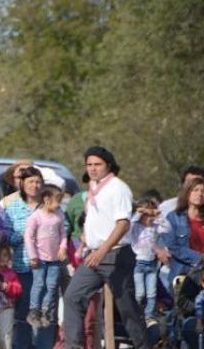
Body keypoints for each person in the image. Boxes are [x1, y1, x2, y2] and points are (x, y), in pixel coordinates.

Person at [62, 146, 150, 349]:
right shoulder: (94, 187)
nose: (92, 168)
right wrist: (86, 243)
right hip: (93, 255)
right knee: (72, 297)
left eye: (97, 164)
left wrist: (102, 250)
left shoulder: (118, 188)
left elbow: (123, 224)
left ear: (108, 165)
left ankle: (144, 346)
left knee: (126, 308)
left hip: (115, 253)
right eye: (89, 164)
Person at [4, 166, 48, 348]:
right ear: (22, 184)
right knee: (22, 313)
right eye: (30, 181)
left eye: (38, 181)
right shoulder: (13, 208)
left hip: (46, 268)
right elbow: (7, 236)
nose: (34, 185)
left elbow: (65, 228)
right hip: (22, 267)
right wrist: (26, 234)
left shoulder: (49, 205)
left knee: (43, 311)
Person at [23, 184, 67, 328]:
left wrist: (62, 247)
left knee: (52, 285)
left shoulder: (59, 214)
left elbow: (63, 233)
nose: (59, 204)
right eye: (57, 200)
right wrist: (33, 256)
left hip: (54, 259)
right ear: (46, 199)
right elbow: (28, 237)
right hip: (40, 258)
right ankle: (34, 310)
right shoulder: (36, 217)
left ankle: (46, 310)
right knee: (39, 283)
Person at [162, 176, 204, 288]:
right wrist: (200, 257)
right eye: (195, 190)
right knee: (180, 304)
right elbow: (173, 247)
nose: (200, 194)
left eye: (203, 191)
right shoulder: (173, 218)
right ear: (187, 193)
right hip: (181, 274)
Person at [130, 196, 161, 325]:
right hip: (139, 263)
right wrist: (141, 211)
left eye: (151, 216)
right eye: (146, 216)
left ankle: (149, 315)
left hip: (152, 263)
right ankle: (137, 313)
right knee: (140, 293)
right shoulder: (136, 226)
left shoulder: (155, 227)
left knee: (151, 292)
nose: (149, 219)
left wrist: (157, 214)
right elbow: (131, 221)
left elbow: (166, 227)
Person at [0, 244, 22, 349]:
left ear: (9, 257)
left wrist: (6, 286)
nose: (0, 257)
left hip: (6, 308)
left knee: (4, 335)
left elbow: (18, 289)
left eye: (4, 255)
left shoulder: (11, 273)